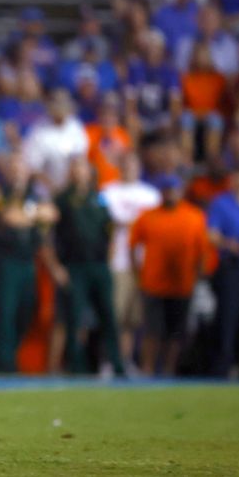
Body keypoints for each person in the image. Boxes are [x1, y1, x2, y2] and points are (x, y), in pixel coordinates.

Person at [0, 153, 58, 372]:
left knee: (27, 310)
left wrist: (27, 214)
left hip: (29, 261)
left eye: (21, 168)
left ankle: (11, 351)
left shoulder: (34, 195)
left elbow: (52, 214)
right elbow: (9, 217)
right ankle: (5, 362)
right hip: (7, 261)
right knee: (5, 312)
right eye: (13, 168)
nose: (17, 172)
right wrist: (35, 215)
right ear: (7, 171)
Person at [52, 157, 124, 376]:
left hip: (99, 265)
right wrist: (56, 266)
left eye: (81, 168)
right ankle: (77, 366)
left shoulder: (99, 198)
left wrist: (109, 260)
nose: (78, 172)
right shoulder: (62, 199)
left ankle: (117, 364)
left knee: (109, 316)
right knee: (75, 318)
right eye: (74, 168)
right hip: (75, 266)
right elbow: (50, 235)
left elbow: (110, 230)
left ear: (89, 173)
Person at [129, 174, 207, 376]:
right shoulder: (148, 216)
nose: (170, 194)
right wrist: (137, 273)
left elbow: (201, 252)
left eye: (173, 190)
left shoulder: (194, 216)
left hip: (182, 284)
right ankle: (147, 369)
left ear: (180, 191)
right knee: (152, 330)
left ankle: (169, 370)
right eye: (166, 190)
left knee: (176, 332)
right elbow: (133, 245)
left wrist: (197, 278)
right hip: (153, 283)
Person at [101, 153, 160, 373]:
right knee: (113, 315)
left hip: (144, 263)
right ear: (119, 166)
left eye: (133, 164)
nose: (129, 168)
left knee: (132, 319)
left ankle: (124, 361)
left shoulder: (151, 195)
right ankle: (108, 361)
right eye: (125, 163)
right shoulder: (107, 192)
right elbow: (105, 224)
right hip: (118, 261)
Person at [207, 166, 239, 377]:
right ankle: (222, 368)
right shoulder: (222, 203)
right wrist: (227, 243)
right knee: (228, 318)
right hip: (232, 267)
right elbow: (211, 234)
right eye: (238, 178)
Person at [22, 88, 89, 194]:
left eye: (64, 107)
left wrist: (68, 186)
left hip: (71, 189)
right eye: (58, 107)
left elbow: (80, 158)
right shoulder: (39, 130)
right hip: (45, 191)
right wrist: (53, 187)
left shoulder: (75, 126)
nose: (61, 111)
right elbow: (33, 168)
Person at [85, 93, 132, 188]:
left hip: (119, 186)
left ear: (117, 118)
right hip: (97, 185)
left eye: (112, 115)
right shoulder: (89, 132)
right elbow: (86, 162)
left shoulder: (123, 135)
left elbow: (127, 161)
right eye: (104, 114)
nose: (107, 119)